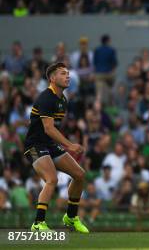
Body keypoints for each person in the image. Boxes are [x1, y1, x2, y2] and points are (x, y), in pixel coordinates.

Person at [24, 62, 89, 233]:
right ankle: (38, 223)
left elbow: (53, 130)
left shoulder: (62, 100)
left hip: (49, 145)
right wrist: (70, 145)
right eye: (62, 73)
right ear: (52, 78)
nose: (67, 76)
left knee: (80, 175)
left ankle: (71, 217)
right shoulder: (46, 98)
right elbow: (48, 128)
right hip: (35, 145)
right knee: (52, 179)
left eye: (67, 73)